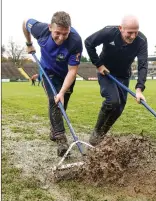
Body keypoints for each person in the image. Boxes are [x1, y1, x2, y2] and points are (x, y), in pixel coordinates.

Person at [22, 11, 83, 157]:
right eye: (57, 33)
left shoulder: (75, 41)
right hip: (48, 71)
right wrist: (29, 43)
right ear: (50, 27)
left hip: (66, 75)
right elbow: (25, 22)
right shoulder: (40, 30)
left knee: (62, 104)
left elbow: (72, 71)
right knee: (54, 101)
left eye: (65, 34)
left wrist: (62, 91)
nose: (61, 38)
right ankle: (61, 140)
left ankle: (54, 129)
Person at [85, 15, 148, 146]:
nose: (133, 36)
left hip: (123, 75)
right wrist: (99, 64)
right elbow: (88, 42)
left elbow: (143, 65)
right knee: (113, 101)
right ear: (121, 28)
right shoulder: (109, 32)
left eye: (136, 32)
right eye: (129, 32)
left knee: (119, 108)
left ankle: (101, 136)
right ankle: (96, 132)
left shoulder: (141, 40)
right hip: (106, 73)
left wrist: (139, 89)